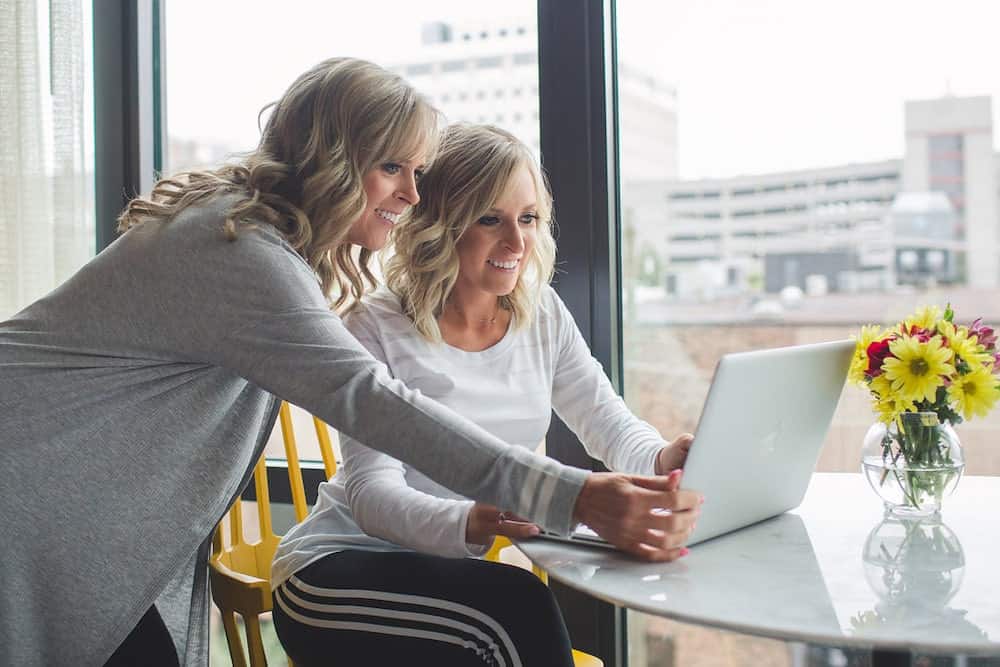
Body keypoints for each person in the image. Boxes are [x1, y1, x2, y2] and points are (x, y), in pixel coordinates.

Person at [0, 60, 697, 667]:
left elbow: (601, 416)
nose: (411, 194)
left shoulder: (253, 238)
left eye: (418, 171)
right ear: (327, 157)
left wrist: (649, 462)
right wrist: (571, 495)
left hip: (54, 489)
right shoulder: (240, 251)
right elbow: (375, 402)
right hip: (28, 472)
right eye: (391, 166)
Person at [270, 124, 703, 667]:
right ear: (439, 224)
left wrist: (666, 460)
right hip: (336, 572)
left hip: (450, 579)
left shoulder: (540, 314)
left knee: (509, 611)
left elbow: (608, 422)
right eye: (490, 219)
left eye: (528, 219)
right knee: (515, 609)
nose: (517, 244)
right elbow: (371, 494)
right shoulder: (374, 326)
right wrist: (477, 519)